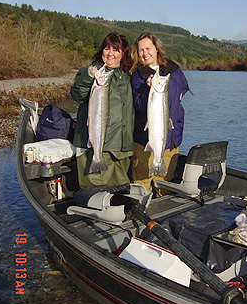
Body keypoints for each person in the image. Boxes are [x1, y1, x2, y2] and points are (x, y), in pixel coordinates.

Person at [70, 32, 134, 189]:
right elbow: (76, 95)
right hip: (96, 148)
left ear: (123, 53)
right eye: (107, 48)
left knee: (120, 196)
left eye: (116, 50)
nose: (110, 53)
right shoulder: (92, 72)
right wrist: (88, 76)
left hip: (122, 149)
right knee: (95, 195)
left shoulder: (128, 76)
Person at [130, 32, 189, 195]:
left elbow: (183, 88)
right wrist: (149, 91)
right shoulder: (138, 75)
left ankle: (161, 217)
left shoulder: (174, 69)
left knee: (165, 185)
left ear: (157, 49)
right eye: (140, 50)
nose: (145, 53)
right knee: (141, 183)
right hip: (144, 141)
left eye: (148, 48)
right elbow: (139, 105)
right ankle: (141, 214)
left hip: (171, 141)